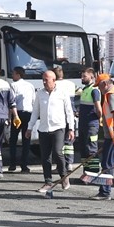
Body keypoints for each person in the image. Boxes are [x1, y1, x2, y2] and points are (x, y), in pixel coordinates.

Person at [30, 69, 74, 197]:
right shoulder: (40, 94)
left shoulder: (62, 93)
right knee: (45, 156)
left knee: (57, 152)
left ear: (54, 80)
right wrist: (29, 127)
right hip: (44, 129)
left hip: (58, 128)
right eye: (43, 80)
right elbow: (35, 112)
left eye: (46, 80)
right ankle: (48, 182)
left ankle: (64, 176)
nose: (44, 82)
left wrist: (71, 128)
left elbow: (69, 112)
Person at [7, 67, 35, 174]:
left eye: (13, 74)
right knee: (26, 140)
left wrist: (10, 117)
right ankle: (24, 166)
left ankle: (12, 164)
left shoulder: (13, 85)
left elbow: (11, 102)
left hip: (17, 114)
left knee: (13, 140)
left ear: (18, 75)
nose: (12, 75)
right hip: (28, 113)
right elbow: (33, 101)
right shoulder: (30, 85)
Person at [75, 67, 102, 176]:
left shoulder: (94, 90)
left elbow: (99, 109)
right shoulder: (85, 89)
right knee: (83, 149)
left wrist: (98, 119)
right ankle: (86, 173)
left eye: (84, 76)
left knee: (91, 149)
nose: (82, 78)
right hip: (83, 124)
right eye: (81, 76)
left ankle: (93, 173)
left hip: (91, 125)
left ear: (91, 77)